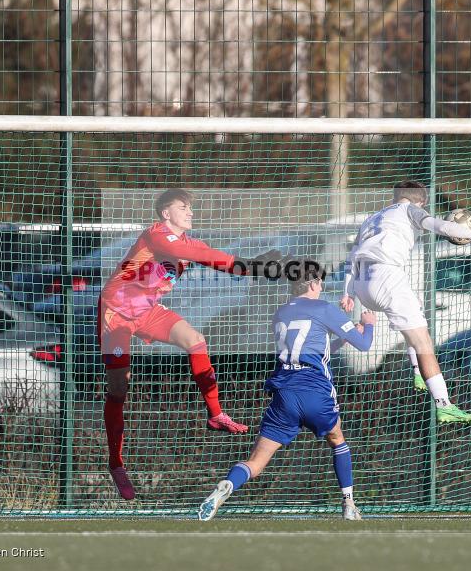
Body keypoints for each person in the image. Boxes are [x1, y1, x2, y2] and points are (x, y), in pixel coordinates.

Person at [99, 188, 281, 500]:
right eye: (183, 207)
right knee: (119, 388)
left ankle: (216, 414)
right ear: (165, 213)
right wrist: (248, 262)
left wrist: (254, 268)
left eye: (190, 208)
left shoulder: (188, 244)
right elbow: (204, 256)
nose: (190, 212)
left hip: (148, 310)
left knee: (196, 341)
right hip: (116, 312)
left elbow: (218, 261)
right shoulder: (156, 234)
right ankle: (116, 463)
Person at [198, 261, 375, 521]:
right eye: (321, 283)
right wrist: (367, 324)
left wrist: (341, 338)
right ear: (314, 284)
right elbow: (364, 345)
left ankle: (229, 484)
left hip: (285, 394)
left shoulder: (281, 312)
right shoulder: (324, 308)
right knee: (337, 439)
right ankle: (349, 504)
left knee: (256, 463)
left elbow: (311, 349)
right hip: (315, 390)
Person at [339, 180, 471, 424]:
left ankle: (418, 372)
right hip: (387, 276)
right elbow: (442, 227)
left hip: (363, 284)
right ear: (421, 201)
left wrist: (347, 293)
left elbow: (352, 258)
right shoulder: (410, 210)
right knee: (424, 340)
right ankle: (444, 404)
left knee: (414, 318)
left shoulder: (372, 219)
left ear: (394, 197)